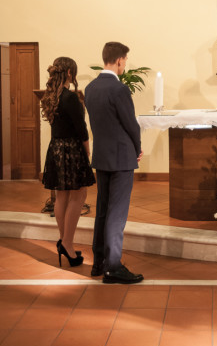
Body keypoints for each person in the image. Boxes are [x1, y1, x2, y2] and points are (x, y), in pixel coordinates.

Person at [85, 42, 144, 284]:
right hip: (121, 157)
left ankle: (98, 262)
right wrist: (137, 148)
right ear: (119, 60)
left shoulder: (90, 88)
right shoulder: (119, 89)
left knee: (103, 210)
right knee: (117, 214)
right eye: (125, 60)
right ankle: (113, 267)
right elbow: (131, 124)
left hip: (102, 156)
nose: (125, 64)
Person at [41, 57, 95, 268]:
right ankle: (67, 243)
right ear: (70, 73)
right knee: (79, 195)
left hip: (56, 148)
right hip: (71, 149)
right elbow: (81, 127)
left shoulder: (50, 96)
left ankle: (65, 242)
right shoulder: (70, 97)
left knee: (61, 196)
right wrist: (87, 149)